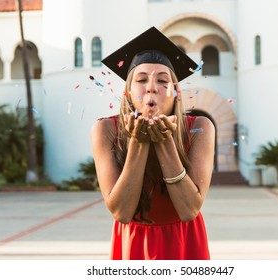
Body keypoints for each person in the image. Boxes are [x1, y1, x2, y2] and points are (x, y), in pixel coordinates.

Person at [91, 26, 215, 260]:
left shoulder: (200, 127)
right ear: (127, 92)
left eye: (162, 80)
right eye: (141, 79)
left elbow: (189, 210)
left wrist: (165, 142)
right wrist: (138, 143)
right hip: (134, 240)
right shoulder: (105, 129)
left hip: (184, 239)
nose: (151, 86)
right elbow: (121, 212)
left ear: (175, 92)